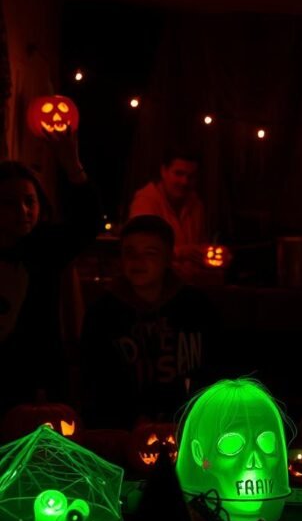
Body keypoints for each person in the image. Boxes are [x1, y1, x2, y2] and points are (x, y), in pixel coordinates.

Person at [80, 215, 219, 429]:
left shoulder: (196, 307)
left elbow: (213, 369)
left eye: (150, 253)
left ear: (168, 258)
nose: (138, 261)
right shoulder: (103, 313)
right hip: (121, 430)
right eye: (130, 253)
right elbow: (94, 380)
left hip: (189, 425)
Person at [0, 130, 101, 412]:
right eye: (9, 202)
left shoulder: (45, 247)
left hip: (38, 375)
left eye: (29, 201)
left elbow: (87, 224)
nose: (23, 210)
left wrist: (73, 168)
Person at [129, 148, 207, 282]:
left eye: (191, 176)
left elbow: (200, 249)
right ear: (163, 171)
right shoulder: (146, 202)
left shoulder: (196, 205)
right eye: (179, 173)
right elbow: (141, 251)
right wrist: (181, 253)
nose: (185, 182)